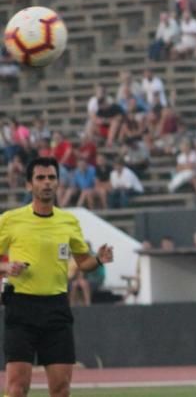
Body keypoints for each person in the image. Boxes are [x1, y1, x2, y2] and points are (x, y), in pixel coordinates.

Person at [0, 157, 114, 397]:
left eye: (52, 177)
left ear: (58, 183)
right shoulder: (10, 220)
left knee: (61, 390)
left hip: (56, 308)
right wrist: (6, 269)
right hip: (21, 307)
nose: (47, 183)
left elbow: (83, 262)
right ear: (29, 185)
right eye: (40, 178)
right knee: (17, 389)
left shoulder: (68, 221)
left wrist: (99, 259)